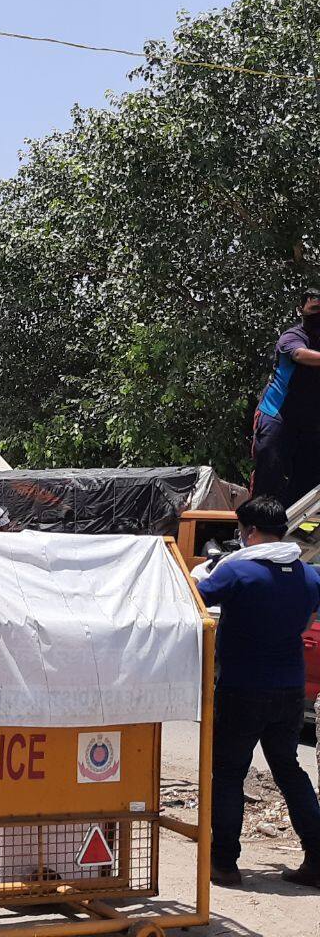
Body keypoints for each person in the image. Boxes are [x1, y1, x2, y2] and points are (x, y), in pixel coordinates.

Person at [196, 495, 320, 888]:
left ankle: (224, 864)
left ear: (248, 532)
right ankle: (317, 859)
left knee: (229, 775)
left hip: (241, 688)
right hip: (289, 692)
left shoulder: (238, 575)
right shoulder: (310, 576)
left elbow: (197, 598)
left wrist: (211, 566)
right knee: (289, 769)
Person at [252, 284, 320, 505]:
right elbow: (300, 354)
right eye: (314, 309)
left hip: (310, 424)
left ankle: (298, 536)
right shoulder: (292, 336)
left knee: (308, 486)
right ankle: (254, 529)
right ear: (301, 310)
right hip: (276, 415)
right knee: (269, 475)